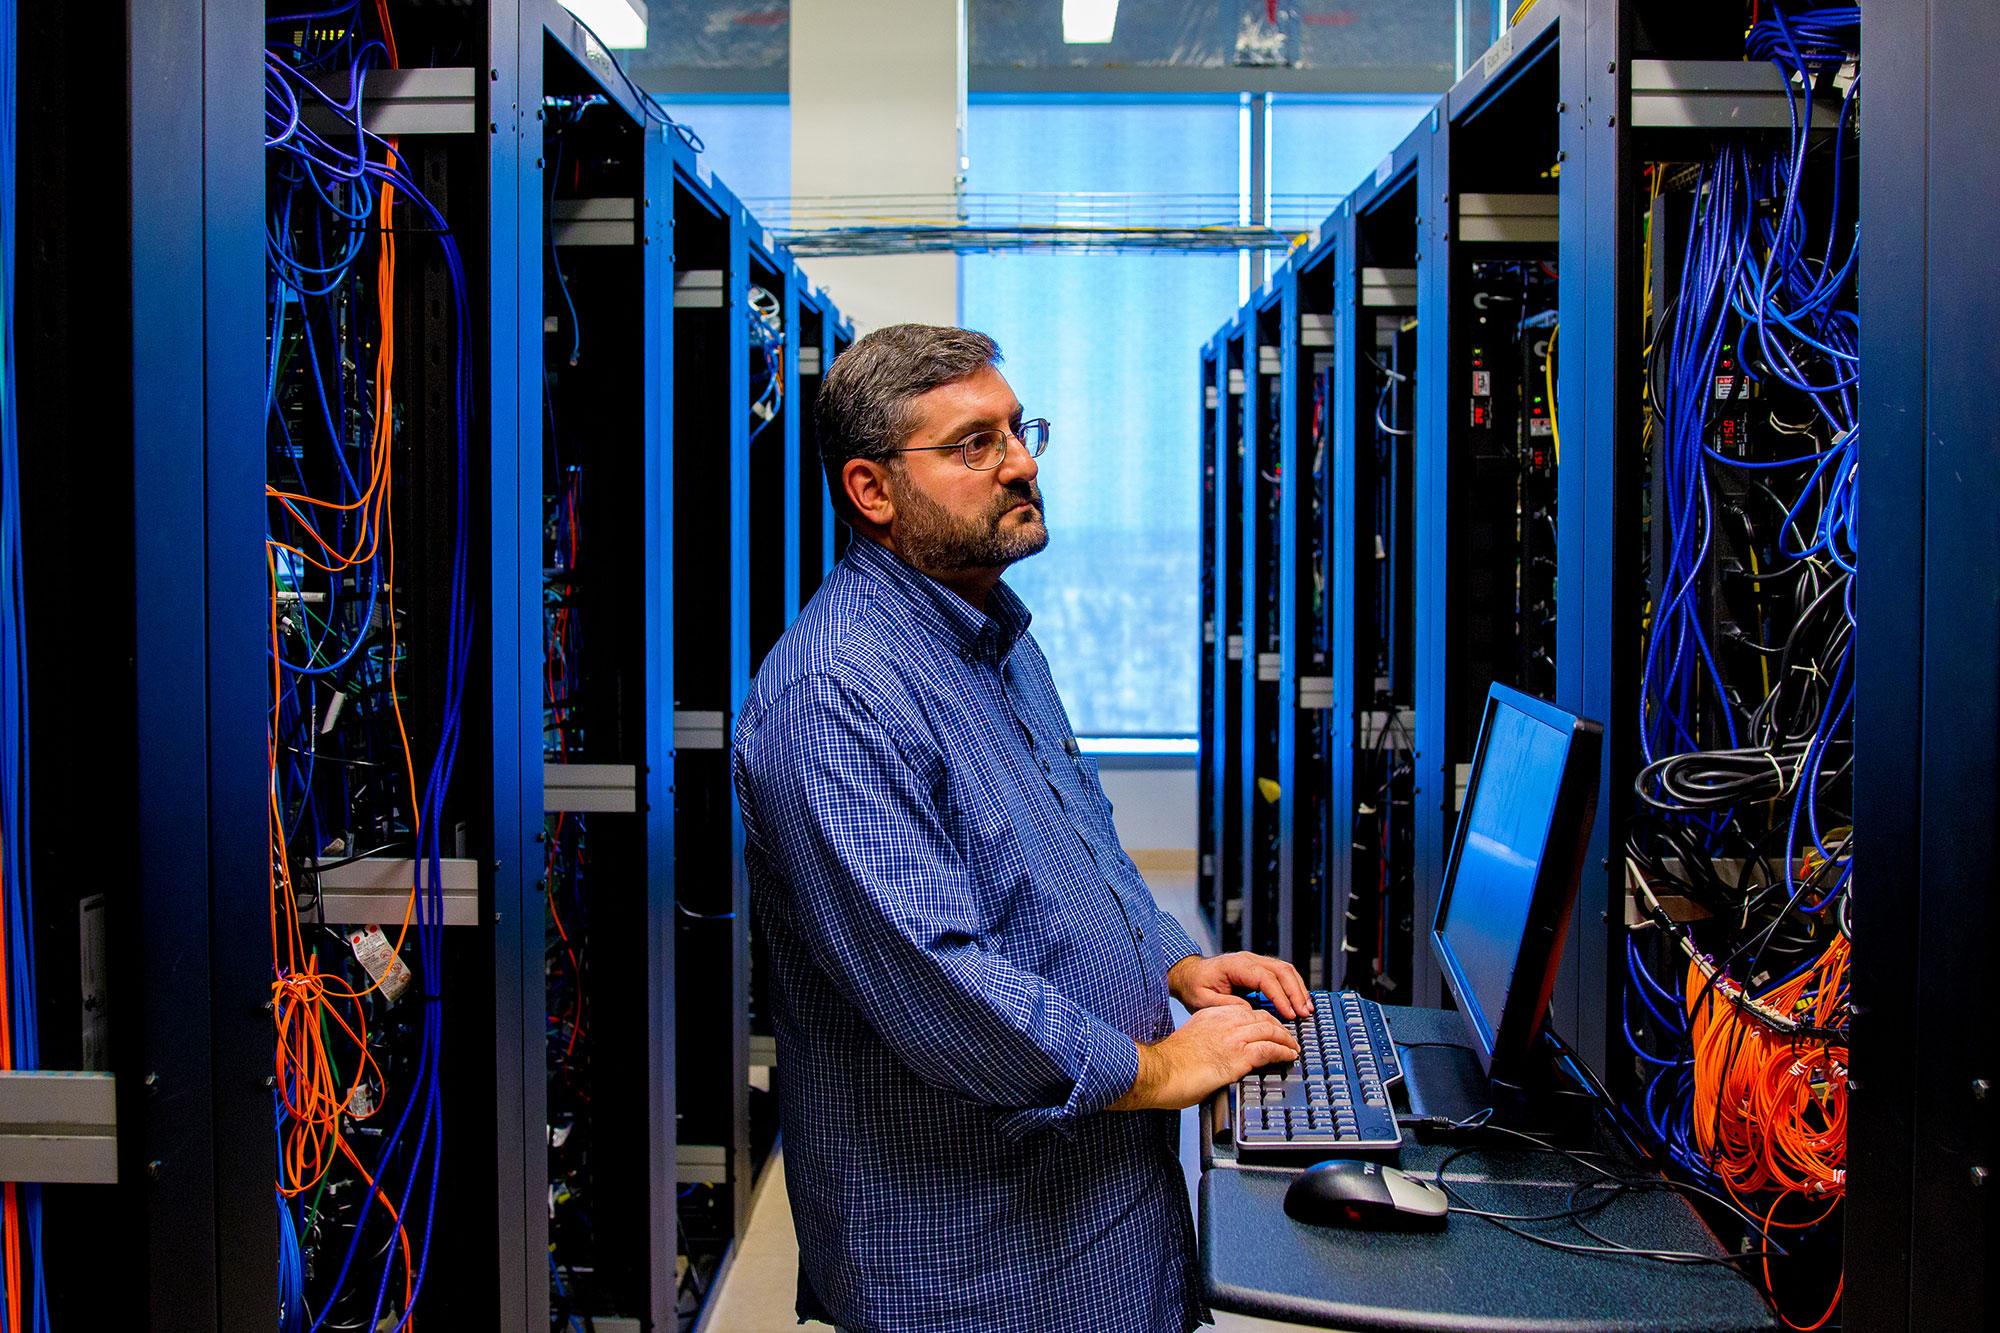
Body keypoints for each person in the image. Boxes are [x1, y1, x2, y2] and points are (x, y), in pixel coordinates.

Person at [732, 324, 1310, 1333]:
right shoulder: (835, 695)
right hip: (978, 1254)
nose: (1021, 462)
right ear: (871, 491)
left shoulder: (991, 629)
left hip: (1098, 1205)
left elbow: (1079, 838)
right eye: (973, 444)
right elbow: (936, 980)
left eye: (1017, 427)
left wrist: (1174, 965)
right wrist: (1162, 1066)